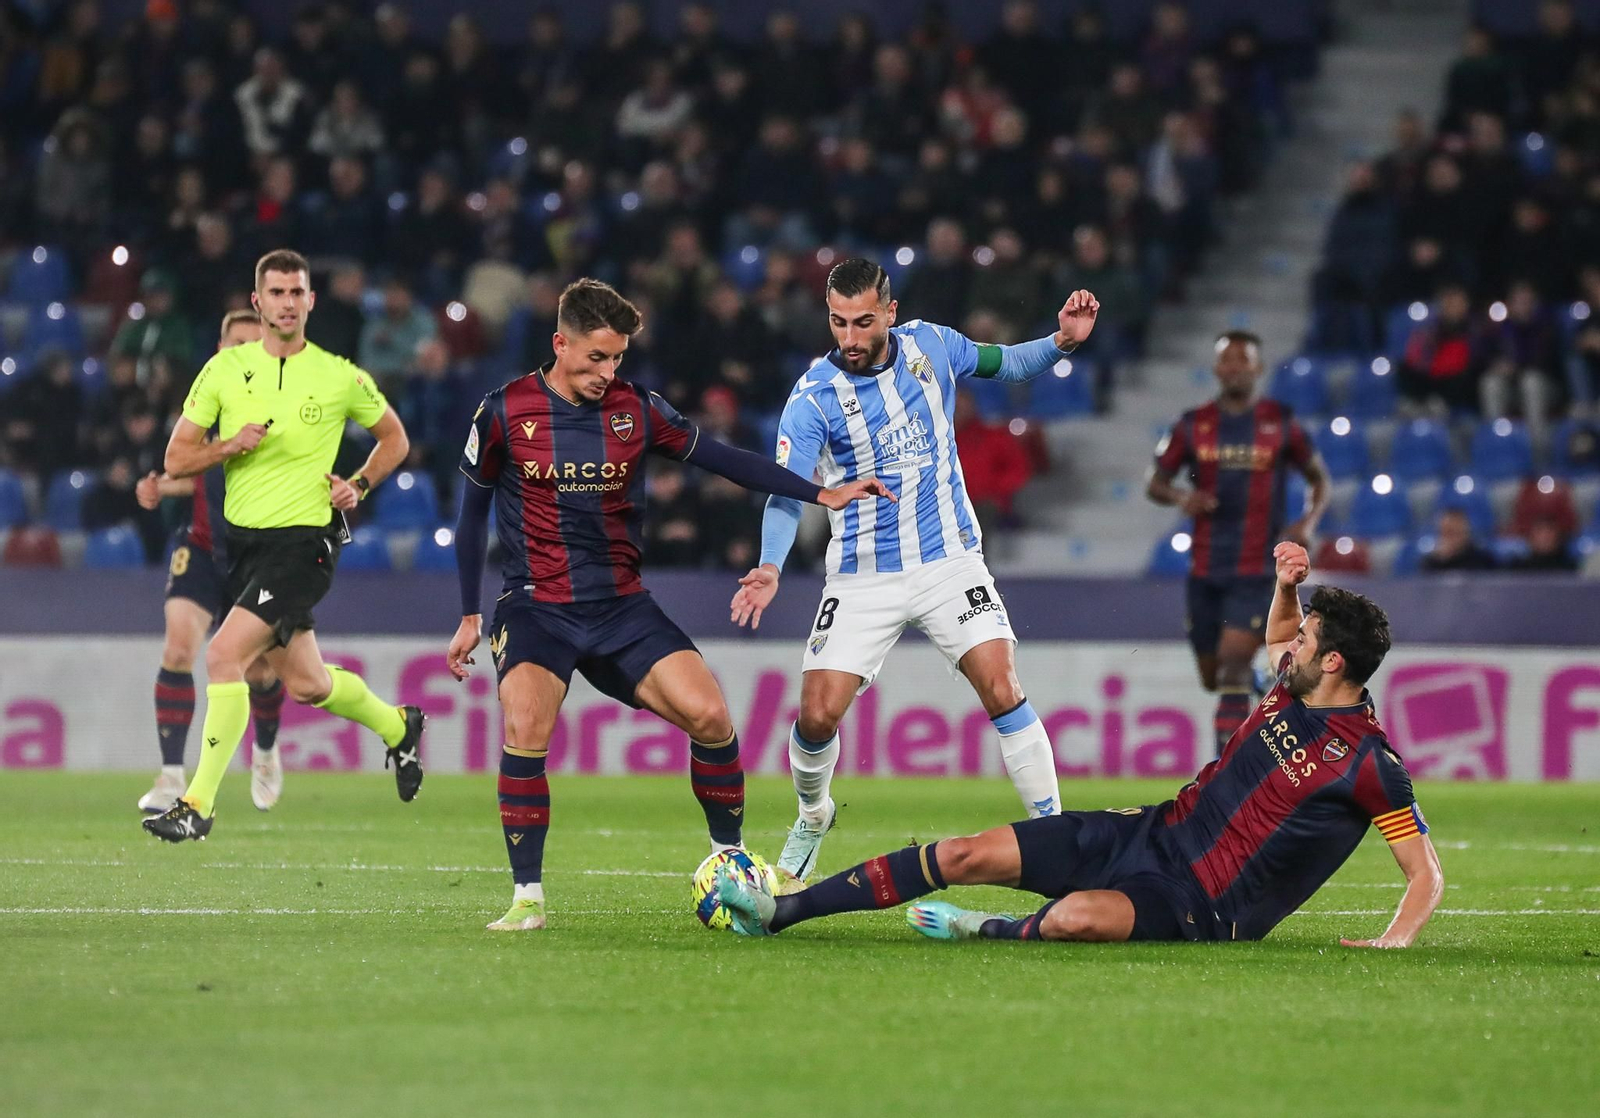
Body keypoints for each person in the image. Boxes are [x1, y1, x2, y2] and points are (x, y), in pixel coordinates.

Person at [715, 542, 1444, 949]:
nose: (1295, 643)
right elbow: (1281, 634)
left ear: (1336, 665)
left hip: (1200, 906)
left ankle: (986, 930)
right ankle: (783, 911)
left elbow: (1425, 875)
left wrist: (1395, 940)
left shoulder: (1368, 764)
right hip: (1150, 832)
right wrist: (1289, 585)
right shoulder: (1295, 679)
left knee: (1073, 919)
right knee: (966, 854)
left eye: (1313, 639)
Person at [446, 279, 890, 932]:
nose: (608, 372)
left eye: (618, 359)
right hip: (538, 606)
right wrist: (468, 614)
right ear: (560, 343)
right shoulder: (506, 410)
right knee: (526, 728)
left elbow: (723, 459)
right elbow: (470, 515)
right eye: (596, 357)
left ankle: (728, 862)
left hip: (622, 606)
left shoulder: (636, 410)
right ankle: (527, 899)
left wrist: (820, 494)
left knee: (712, 717)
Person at [729, 260, 1100, 892]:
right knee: (817, 716)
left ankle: (1055, 838)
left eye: (863, 322)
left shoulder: (933, 345)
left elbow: (1005, 363)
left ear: (891, 314)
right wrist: (769, 565)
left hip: (948, 560)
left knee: (1002, 685)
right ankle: (813, 815)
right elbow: (787, 495)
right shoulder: (813, 397)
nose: (850, 337)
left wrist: (1061, 340)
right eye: (839, 323)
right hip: (860, 576)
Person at [143, 249, 426, 842]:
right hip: (243, 548)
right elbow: (176, 458)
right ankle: (399, 726)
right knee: (308, 684)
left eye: (297, 293)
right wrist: (228, 447)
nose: (288, 303)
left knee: (223, 657)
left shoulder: (339, 374)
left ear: (311, 301)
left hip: (305, 545)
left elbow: (394, 438)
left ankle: (196, 804)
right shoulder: (223, 371)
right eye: (276, 293)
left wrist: (360, 484)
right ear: (257, 301)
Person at [1147, 331, 1330, 754]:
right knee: (1214, 677)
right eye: (1226, 361)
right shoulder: (1194, 425)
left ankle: (1224, 775)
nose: (1233, 368)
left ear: (1257, 368)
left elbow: (1319, 479)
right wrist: (1182, 497)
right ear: (1215, 369)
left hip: (1256, 569)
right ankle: (1261, 679)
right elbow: (1154, 481)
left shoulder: (1280, 423)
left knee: (1230, 667)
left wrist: (1308, 522)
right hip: (1205, 569)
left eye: (1242, 360)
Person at [134, 309, 286, 815]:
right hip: (199, 544)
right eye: (234, 342)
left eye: (252, 342)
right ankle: (171, 775)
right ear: (220, 349)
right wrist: (162, 485)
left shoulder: (283, 405)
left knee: (261, 671)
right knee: (179, 648)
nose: (242, 351)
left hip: (255, 554)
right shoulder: (205, 401)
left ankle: (264, 751)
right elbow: (193, 468)